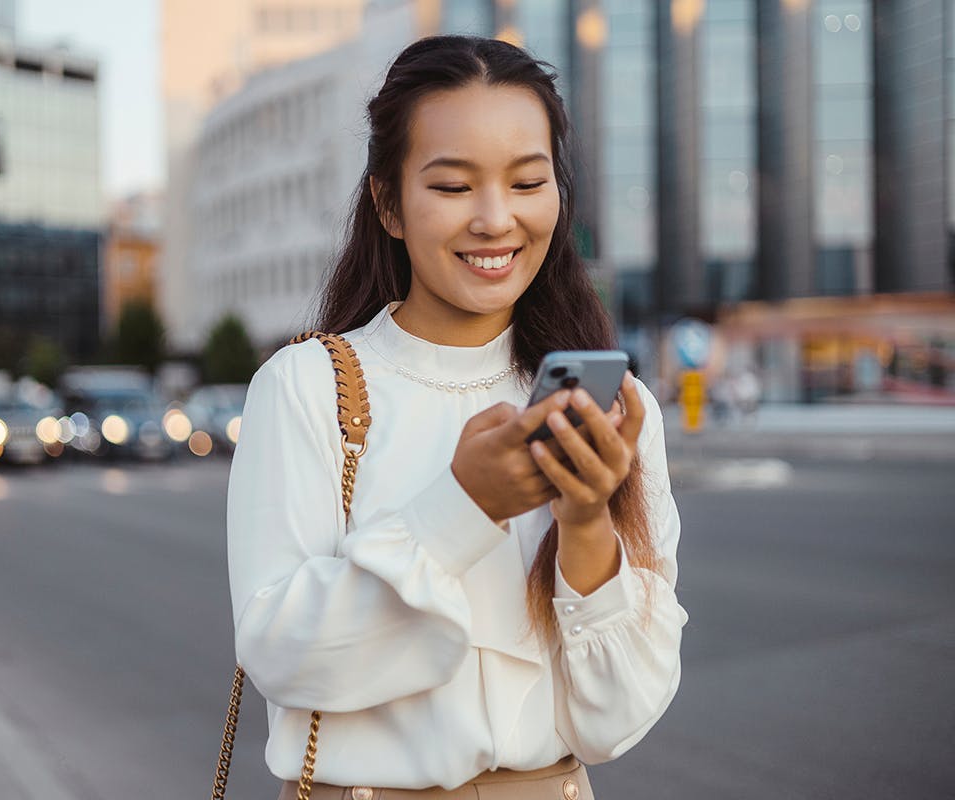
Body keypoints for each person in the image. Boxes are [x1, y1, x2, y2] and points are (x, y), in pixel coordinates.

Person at [227, 35, 687, 799]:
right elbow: (282, 656)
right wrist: (463, 507)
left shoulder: (610, 409)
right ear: (388, 203)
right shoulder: (306, 386)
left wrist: (584, 523)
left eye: (528, 181)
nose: (496, 219)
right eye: (452, 187)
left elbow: (618, 718)